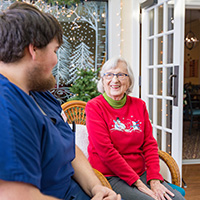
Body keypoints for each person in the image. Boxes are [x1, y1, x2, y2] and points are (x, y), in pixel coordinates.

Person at [0, 2, 121, 200]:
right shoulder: (7, 107)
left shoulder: (40, 94)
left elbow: (69, 147)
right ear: (34, 49)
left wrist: (95, 188)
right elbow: (15, 195)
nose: (56, 61)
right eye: (55, 50)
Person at [85, 56, 185, 200]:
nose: (115, 80)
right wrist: (138, 183)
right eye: (109, 75)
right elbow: (106, 151)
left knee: (177, 199)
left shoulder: (139, 105)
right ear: (102, 80)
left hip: (140, 172)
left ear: (129, 80)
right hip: (111, 175)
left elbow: (149, 144)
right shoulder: (94, 107)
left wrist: (154, 178)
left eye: (121, 75)